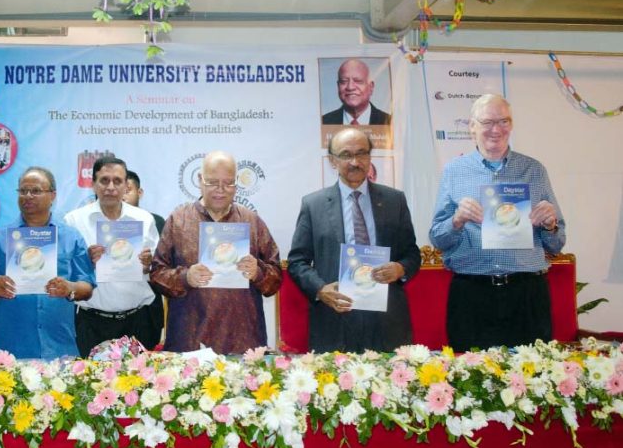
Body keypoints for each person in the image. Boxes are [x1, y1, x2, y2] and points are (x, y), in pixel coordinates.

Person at [430, 94, 566, 351]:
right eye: (488, 122)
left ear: (511, 125)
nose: (496, 129)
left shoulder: (534, 170)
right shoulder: (454, 171)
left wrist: (550, 225)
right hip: (472, 294)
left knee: (533, 381)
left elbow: (557, 244)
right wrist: (457, 220)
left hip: (526, 293)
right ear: (472, 126)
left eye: (504, 121)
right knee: (471, 380)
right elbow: (438, 239)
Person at [287, 128, 420, 352]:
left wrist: (400, 268)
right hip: (335, 315)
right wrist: (320, 290)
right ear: (332, 160)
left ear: (370, 157)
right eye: (346, 155)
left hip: (386, 317)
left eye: (362, 153)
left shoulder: (394, 200)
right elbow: (297, 261)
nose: (355, 161)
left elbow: (412, 254)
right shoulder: (314, 205)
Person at [150, 151, 281, 354]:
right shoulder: (179, 221)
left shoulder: (252, 221)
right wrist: (185, 277)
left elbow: (276, 279)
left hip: (243, 340)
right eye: (212, 182)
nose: (220, 190)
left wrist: (258, 272)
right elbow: (157, 274)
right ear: (200, 180)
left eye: (228, 183)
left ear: (236, 184)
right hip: (190, 340)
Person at [0, 167, 96, 359]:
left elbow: (87, 287)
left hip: (59, 345)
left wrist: (70, 287)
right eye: (23, 191)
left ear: (53, 195)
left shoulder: (70, 236)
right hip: (10, 347)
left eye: (36, 191)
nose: (28, 196)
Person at [63, 157, 160, 356]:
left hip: (138, 321)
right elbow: (65, 273)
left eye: (117, 181)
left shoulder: (144, 219)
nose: (110, 187)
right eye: (104, 180)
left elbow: (159, 270)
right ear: (93, 185)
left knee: (142, 385)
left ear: (126, 186)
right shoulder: (74, 220)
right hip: (92, 323)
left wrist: (149, 265)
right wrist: (85, 262)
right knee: (94, 385)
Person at [122, 169, 167, 348]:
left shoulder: (154, 221)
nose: (122, 195)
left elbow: (164, 265)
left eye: (128, 190)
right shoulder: (100, 223)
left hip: (146, 311)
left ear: (139, 192)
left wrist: (149, 262)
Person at [321, 59, 391, 126]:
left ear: (371, 87)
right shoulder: (323, 122)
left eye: (358, 81)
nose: (350, 87)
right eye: (344, 81)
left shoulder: (389, 122)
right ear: (338, 85)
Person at [124, 170, 166, 235]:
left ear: (139, 193)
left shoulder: (156, 221)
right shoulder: (107, 223)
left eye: (126, 191)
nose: (122, 197)